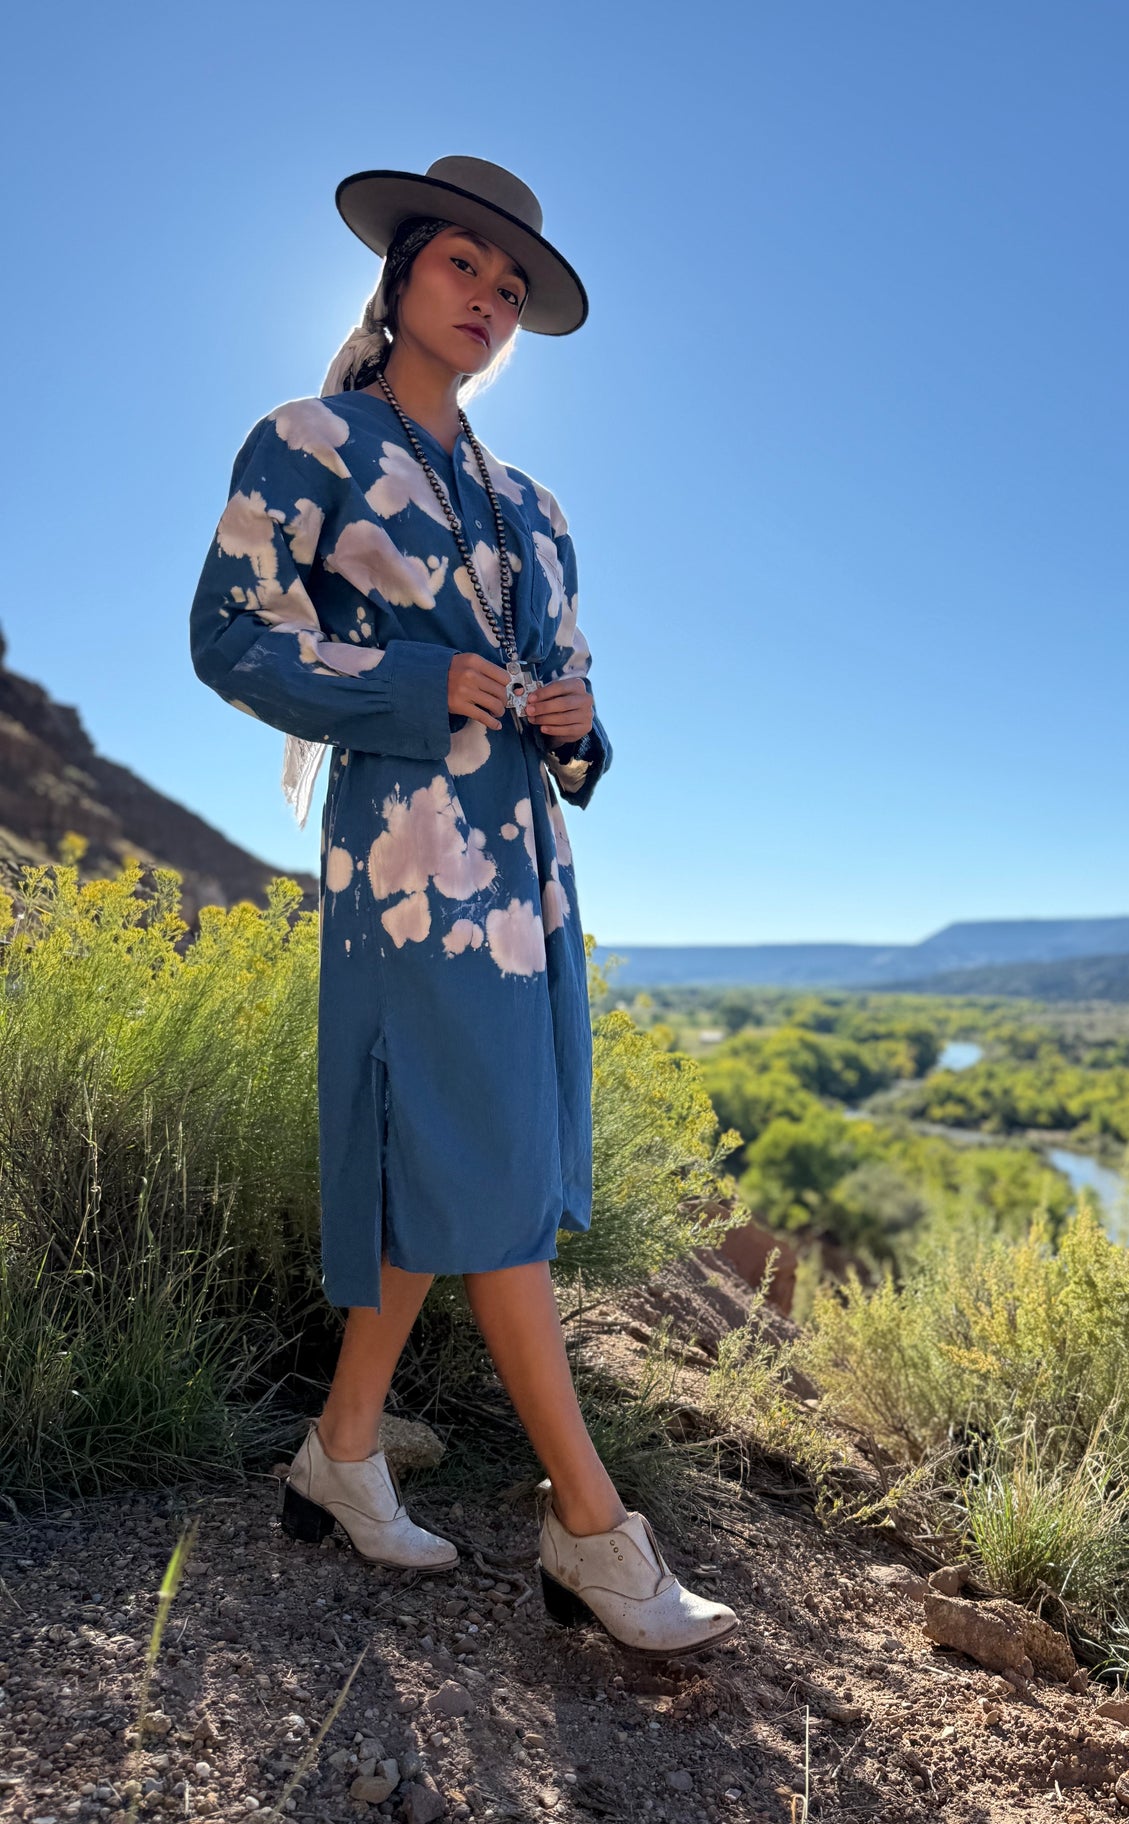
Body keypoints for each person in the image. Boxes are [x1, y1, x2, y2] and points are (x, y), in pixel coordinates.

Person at [189, 155, 738, 1658]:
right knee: (490, 1159)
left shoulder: (536, 506)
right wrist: (422, 679)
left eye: (510, 290)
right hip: (408, 863)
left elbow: (586, 725)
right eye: (464, 272)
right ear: (399, 274)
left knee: (475, 1137)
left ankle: (343, 1444)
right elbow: (230, 638)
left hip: (528, 870)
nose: (488, 303)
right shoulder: (309, 440)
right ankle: (592, 1530)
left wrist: (574, 726)